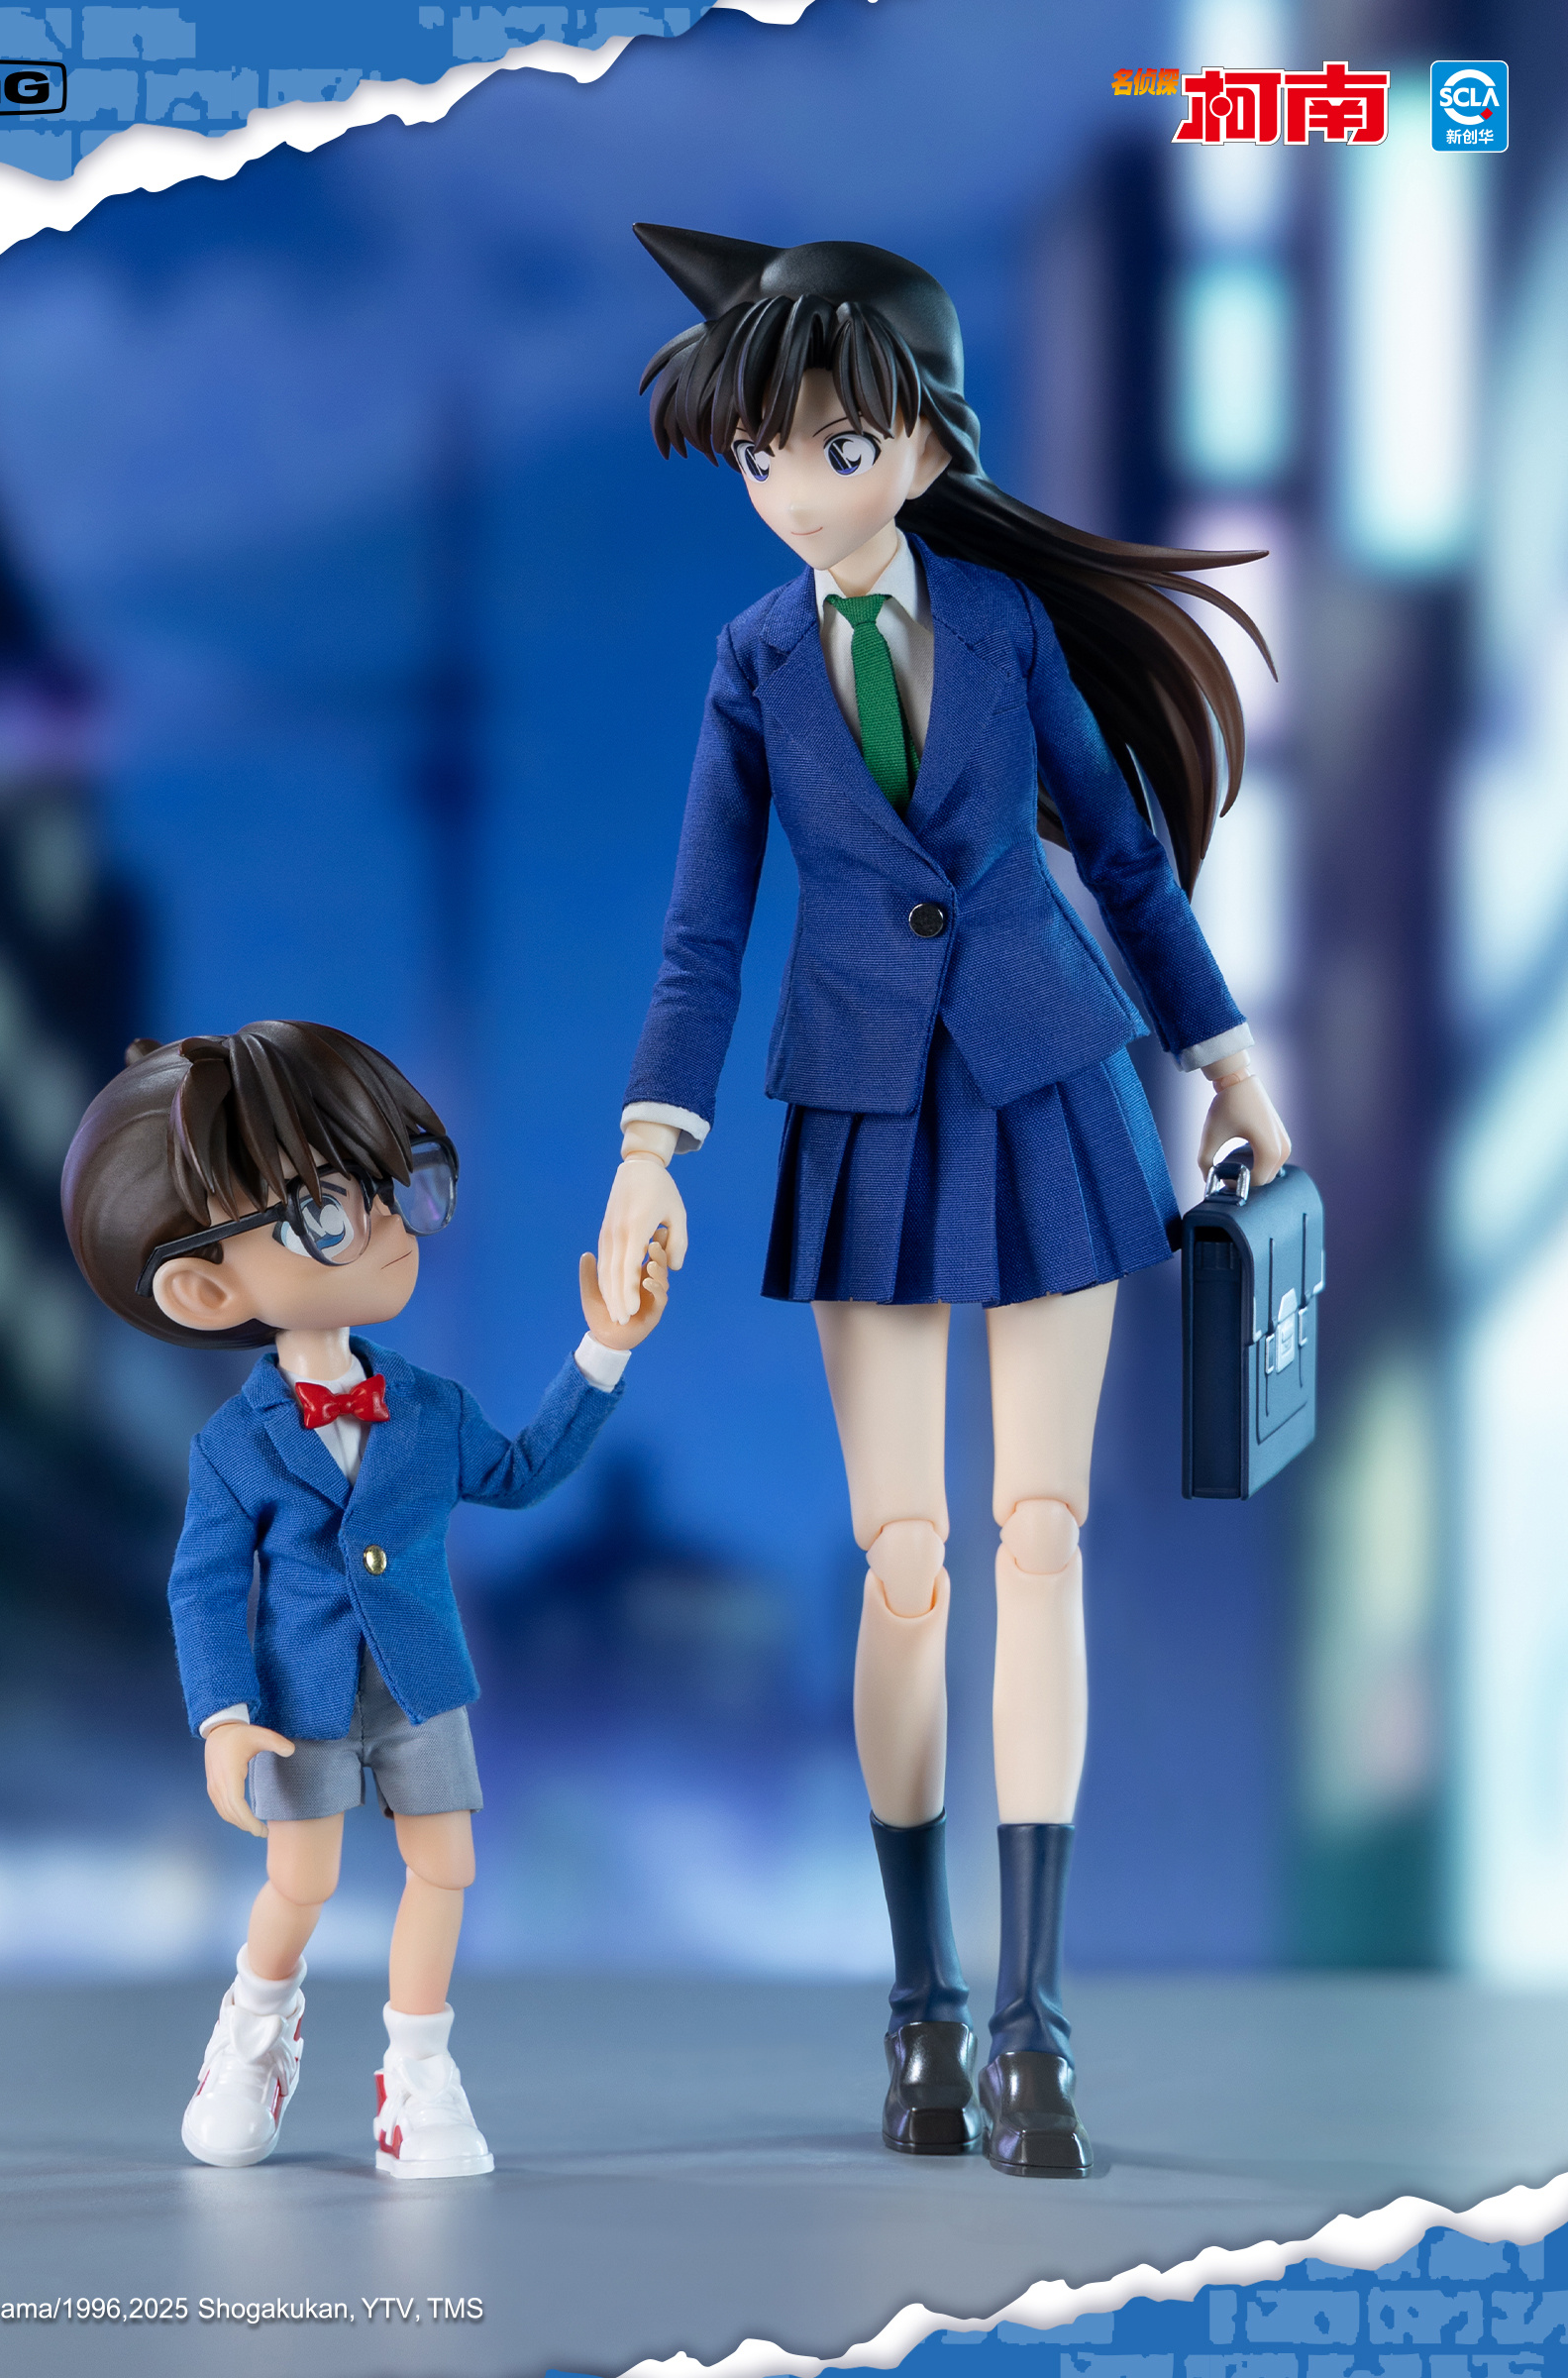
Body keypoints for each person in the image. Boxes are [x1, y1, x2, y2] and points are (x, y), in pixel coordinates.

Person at [593, 227, 1290, 2176]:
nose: (792, 490)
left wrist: (1226, 1060)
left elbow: (1124, 863)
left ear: (920, 446)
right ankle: (918, 2003)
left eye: (833, 448)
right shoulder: (753, 663)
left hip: (1050, 1084)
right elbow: (704, 933)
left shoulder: (1002, 628)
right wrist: (652, 1145)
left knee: (1038, 1542)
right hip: (863, 1118)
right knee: (904, 1565)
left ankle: (1031, 2023)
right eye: (761, 456)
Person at [63, 1021, 668, 2174]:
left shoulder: (430, 1408)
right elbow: (205, 1584)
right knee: (303, 1882)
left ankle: (419, 2070)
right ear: (207, 1286)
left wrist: (603, 1352)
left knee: (447, 1868)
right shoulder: (234, 1443)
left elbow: (520, 1474)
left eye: (395, 1187)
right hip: (299, 1700)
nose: (389, 1223)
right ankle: (252, 2030)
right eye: (330, 1209)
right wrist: (222, 1714)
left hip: (421, 1683)